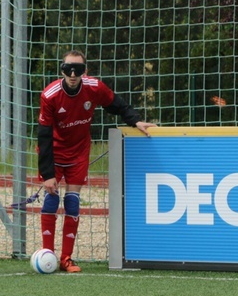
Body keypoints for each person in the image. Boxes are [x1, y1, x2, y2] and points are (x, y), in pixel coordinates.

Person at [37, 49, 155, 272]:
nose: (72, 74)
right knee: (51, 199)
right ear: (61, 70)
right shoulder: (50, 95)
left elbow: (117, 104)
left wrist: (136, 121)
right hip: (53, 150)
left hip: (79, 152)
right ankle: (47, 255)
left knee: (72, 201)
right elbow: (43, 135)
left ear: (85, 71)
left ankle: (66, 258)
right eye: (67, 69)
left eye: (78, 69)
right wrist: (48, 174)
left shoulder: (94, 87)